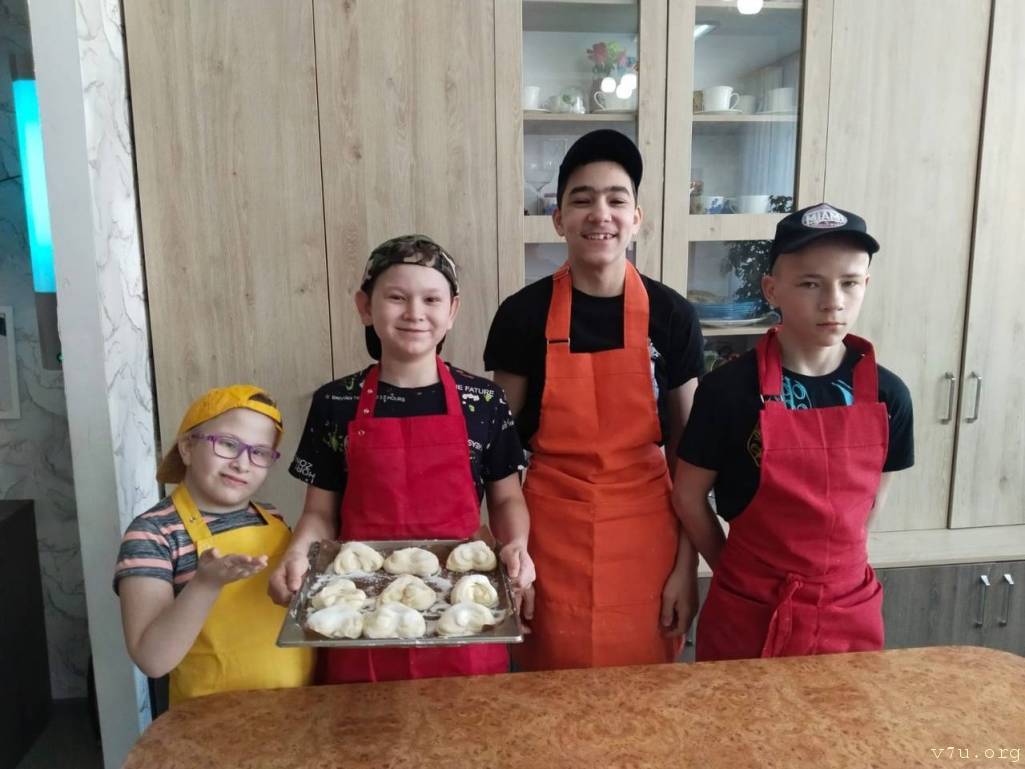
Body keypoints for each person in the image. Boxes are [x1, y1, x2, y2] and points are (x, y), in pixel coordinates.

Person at [268, 234, 534, 683]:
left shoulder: (485, 401)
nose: (414, 312)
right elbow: (319, 512)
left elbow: (507, 498)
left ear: (452, 310)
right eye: (396, 297)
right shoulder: (336, 402)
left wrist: (517, 545)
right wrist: (297, 553)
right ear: (365, 307)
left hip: (463, 609)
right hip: (358, 603)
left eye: (431, 299)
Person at [484, 129, 704, 670]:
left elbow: (690, 459)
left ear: (636, 217)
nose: (599, 214)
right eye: (582, 200)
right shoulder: (522, 315)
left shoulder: (672, 316)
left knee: (641, 694)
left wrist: (686, 568)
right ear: (558, 219)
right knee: (552, 691)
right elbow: (494, 453)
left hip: (648, 538)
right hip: (549, 537)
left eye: (615, 199)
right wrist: (510, 558)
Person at [673, 203, 915, 661]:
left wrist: (835, 572)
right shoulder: (727, 392)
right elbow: (687, 497)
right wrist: (730, 570)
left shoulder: (889, 396)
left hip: (847, 611)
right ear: (772, 289)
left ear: (866, 285)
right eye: (810, 283)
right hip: (750, 611)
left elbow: (871, 505)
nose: (833, 301)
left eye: (849, 283)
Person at [114, 385, 314, 705]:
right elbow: (152, 660)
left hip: (297, 707)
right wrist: (205, 584)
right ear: (187, 448)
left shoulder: (272, 517)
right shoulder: (154, 533)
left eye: (260, 452)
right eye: (228, 444)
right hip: (209, 720)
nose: (242, 464)